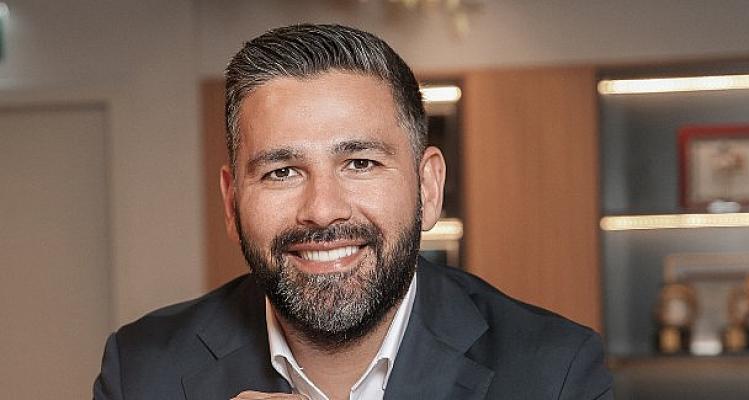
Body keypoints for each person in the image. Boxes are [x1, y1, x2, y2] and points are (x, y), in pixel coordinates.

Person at [93, 24, 612, 400]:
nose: (322, 211)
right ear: (231, 204)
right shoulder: (141, 370)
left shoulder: (555, 372)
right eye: (282, 171)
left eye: (360, 163)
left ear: (428, 188)